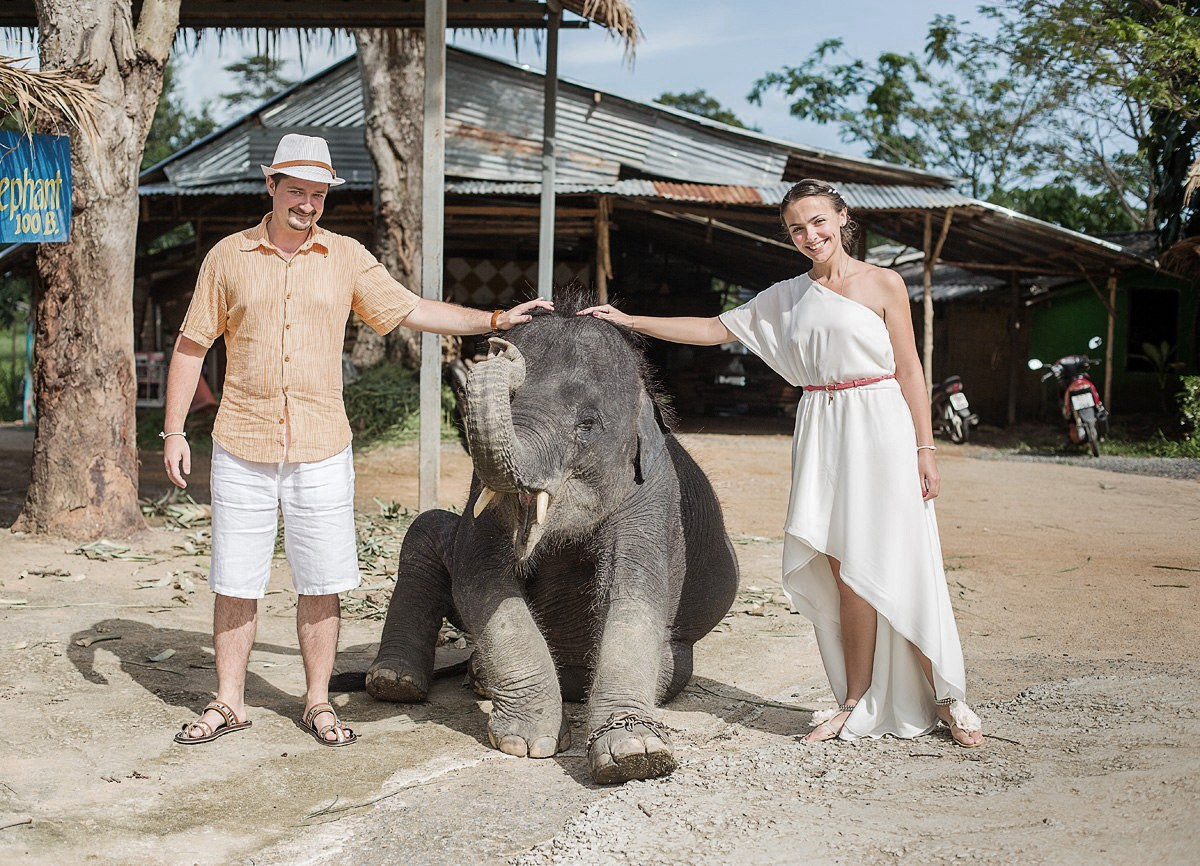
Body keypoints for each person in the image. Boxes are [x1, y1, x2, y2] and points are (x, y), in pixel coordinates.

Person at [164, 133, 550, 747]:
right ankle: (228, 701)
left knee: (321, 581)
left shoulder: (345, 257)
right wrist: (174, 430)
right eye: (296, 191)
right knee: (235, 580)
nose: (307, 204)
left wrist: (495, 319)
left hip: (321, 445)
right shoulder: (228, 257)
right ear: (271, 186)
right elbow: (191, 346)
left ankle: (317, 702)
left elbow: (411, 309)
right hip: (242, 442)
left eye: (318, 194)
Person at [579, 179, 984, 747]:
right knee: (845, 568)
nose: (810, 235)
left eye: (818, 221)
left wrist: (926, 448)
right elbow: (714, 330)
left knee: (902, 558)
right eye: (797, 228)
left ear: (842, 218)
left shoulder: (884, 283)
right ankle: (854, 701)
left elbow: (910, 369)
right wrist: (630, 321)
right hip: (822, 429)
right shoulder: (788, 296)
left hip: (880, 423)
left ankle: (945, 696)